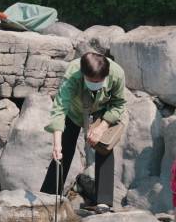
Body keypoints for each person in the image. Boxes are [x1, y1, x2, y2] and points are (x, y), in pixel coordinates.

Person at [40, 52, 126, 211]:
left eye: (100, 80)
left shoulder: (117, 73)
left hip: (102, 110)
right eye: (92, 81)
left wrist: (102, 127)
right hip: (75, 110)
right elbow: (59, 108)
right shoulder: (73, 73)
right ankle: (49, 196)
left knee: (104, 147)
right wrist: (56, 143)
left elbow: (119, 104)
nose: (96, 83)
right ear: (83, 75)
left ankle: (104, 202)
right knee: (63, 150)